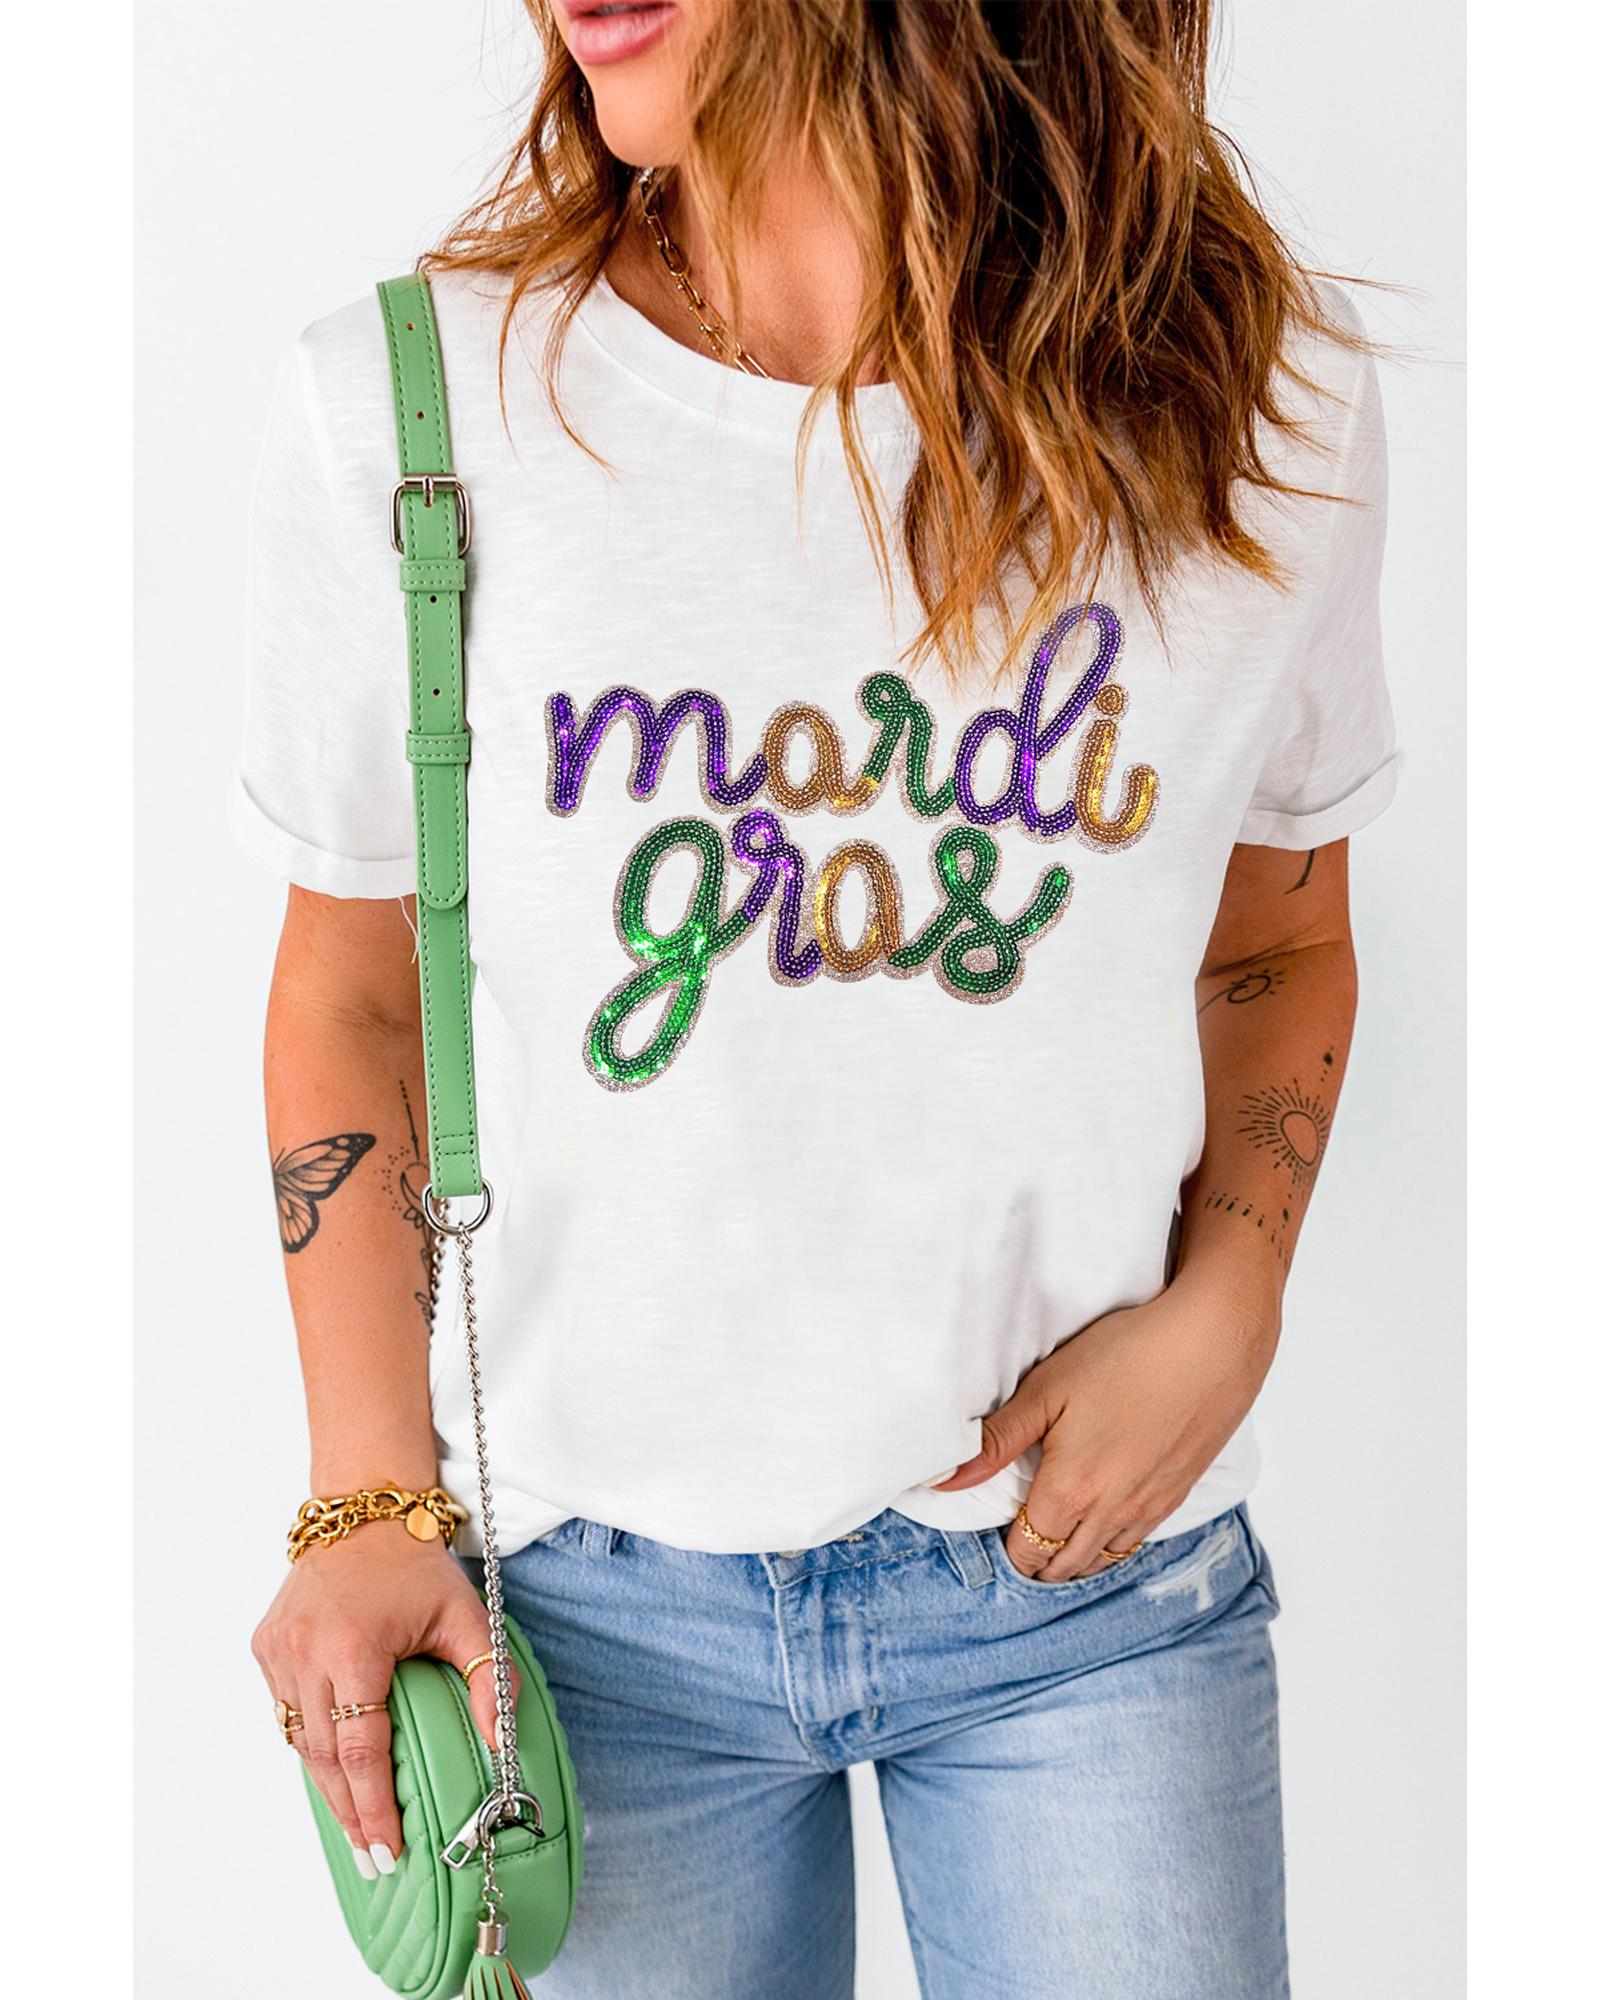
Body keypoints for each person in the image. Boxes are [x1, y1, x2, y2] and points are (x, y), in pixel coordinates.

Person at [235, 3, 1402, 1994]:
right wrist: (364, 1493)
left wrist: (1235, 1290)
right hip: (584, 1622)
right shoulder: (416, 411)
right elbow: (352, 983)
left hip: (1088, 1586)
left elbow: (1277, 936)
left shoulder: (1261, 405)